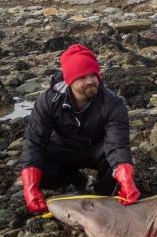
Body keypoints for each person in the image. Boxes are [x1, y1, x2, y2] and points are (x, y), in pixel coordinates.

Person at [20, 44, 141, 213]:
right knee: (39, 164)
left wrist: (126, 178)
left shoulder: (113, 103)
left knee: (114, 160)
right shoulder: (48, 101)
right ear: (70, 80)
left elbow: (117, 145)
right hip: (63, 148)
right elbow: (34, 142)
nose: (91, 80)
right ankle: (74, 180)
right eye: (83, 77)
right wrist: (30, 185)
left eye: (93, 74)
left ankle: (103, 195)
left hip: (96, 151)